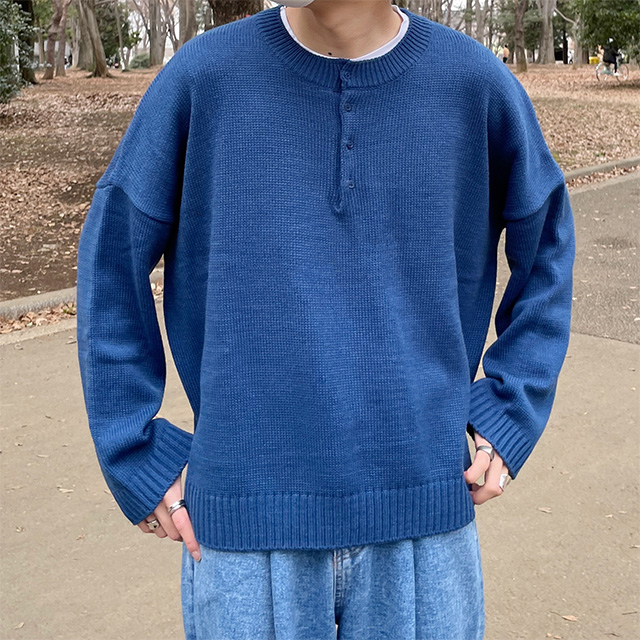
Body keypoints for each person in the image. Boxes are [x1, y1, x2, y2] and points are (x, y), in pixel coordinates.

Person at [75, 0, 575, 638]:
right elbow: (112, 254)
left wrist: (510, 408)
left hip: (423, 522)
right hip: (244, 536)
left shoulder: (474, 85)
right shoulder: (202, 79)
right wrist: (133, 448)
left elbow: (547, 239)